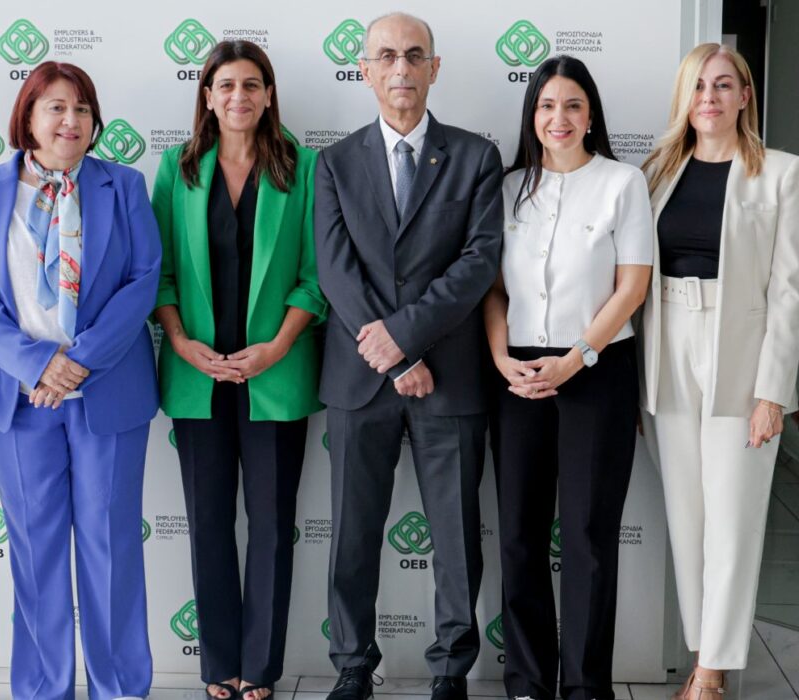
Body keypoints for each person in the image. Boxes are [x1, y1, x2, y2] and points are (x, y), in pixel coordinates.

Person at [0, 60, 161, 700]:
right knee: (36, 553)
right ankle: (44, 689)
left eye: (82, 108)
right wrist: (38, 363)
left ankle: (119, 688)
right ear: (29, 117)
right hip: (20, 400)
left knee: (111, 547)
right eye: (56, 107)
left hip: (107, 392)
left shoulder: (124, 185)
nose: (71, 120)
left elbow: (143, 280)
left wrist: (78, 361)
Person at [313, 12, 503, 700]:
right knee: (352, 534)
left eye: (414, 55)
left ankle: (451, 670)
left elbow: (478, 263)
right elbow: (335, 271)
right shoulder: (334, 163)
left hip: (449, 378)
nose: (401, 68)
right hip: (361, 379)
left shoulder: (476, 157)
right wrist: (395, 356)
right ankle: (352, 666)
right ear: (364, 70)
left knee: (454, 537)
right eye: (387, 56)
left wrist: (407, 338)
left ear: (434, 68)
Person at [151, 40, 327, 700]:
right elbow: (159, 272)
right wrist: (180, 341)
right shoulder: (176, 168)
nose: (239, 97)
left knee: (273, 529)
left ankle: (260, 667)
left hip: (274, 375)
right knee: (208, 526)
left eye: (251, 85)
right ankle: (217, 662)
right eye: (225, 85)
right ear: (207, 96)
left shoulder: (303, 168)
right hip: (198, 375)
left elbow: (315, 276)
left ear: (269, 94)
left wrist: (276, 347)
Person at [638, 42, 799, 699]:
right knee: (688, 518)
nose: (709, 98)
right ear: (684, 98)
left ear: (744, 95)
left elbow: (788, 291)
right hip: (668, 345)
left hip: (740, 350)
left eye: (722, 85)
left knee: (733, 519)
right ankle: (702, 651)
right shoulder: (656, 171)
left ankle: (712, 674)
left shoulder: (781, 172)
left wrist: (773, 391)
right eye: (698, 86)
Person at [483, 55, 651, 700]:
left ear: (591, 115)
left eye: (573, 105)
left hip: (597, 370)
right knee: (519, 534)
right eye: (547, 105)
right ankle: (527, 682)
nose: (559, 117)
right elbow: (493, 289)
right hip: (518, 374)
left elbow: (631, 288)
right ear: (532, 115)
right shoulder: (507, 188)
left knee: (587, 537)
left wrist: (576, 357)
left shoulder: (622, 183)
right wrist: (501, 358)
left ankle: (585, 687)